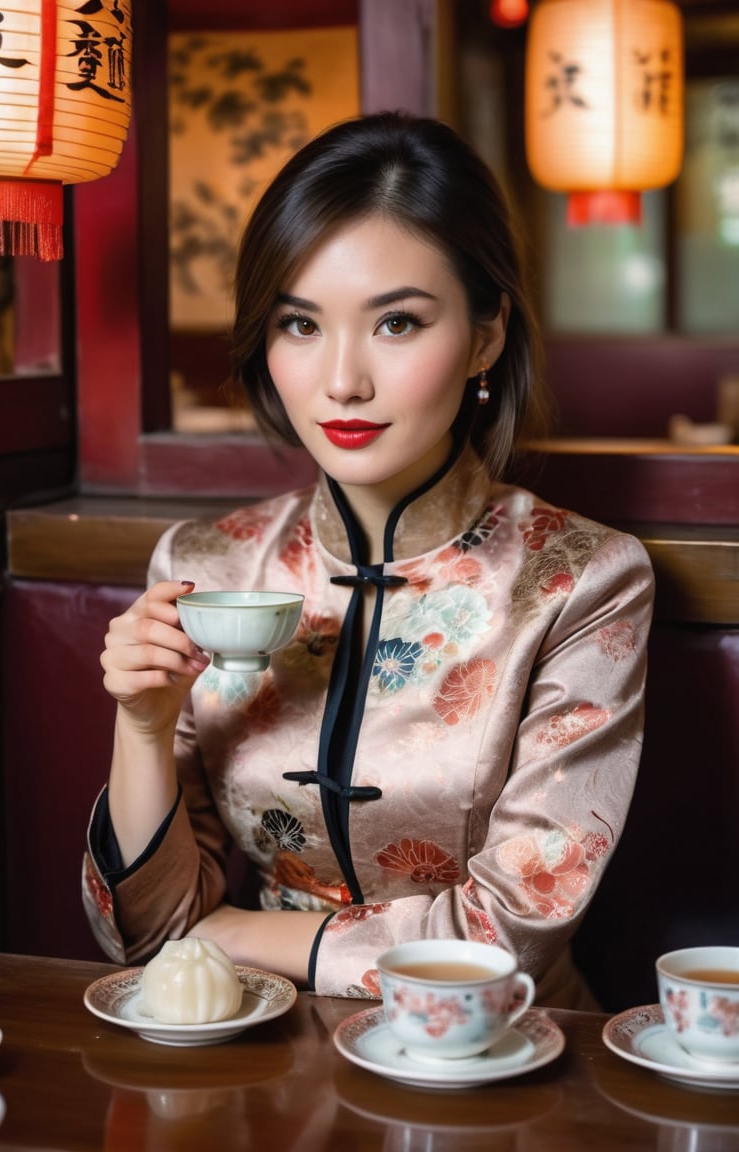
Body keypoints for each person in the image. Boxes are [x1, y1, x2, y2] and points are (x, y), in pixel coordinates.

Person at [82, 111, 654, 1009]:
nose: (342, 379)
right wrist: (144, 728)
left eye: (396, 324)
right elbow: (144, 933)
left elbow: (507, 935)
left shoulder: (581, 579)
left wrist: (231, 933)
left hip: (492, 1064)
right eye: (300, 325)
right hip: (256, 1054)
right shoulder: (206, 563)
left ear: (487, 334)